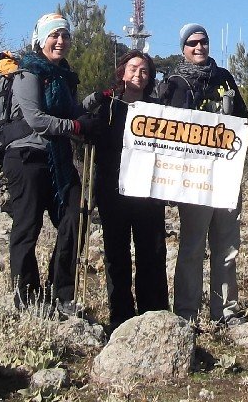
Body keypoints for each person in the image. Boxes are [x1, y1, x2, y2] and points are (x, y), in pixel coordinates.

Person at [152, 22, 248, 326]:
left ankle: (226, 312)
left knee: (227, 247)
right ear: (183, 48)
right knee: (192, 248)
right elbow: (165, 130)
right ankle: (186, 313)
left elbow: (243, 121)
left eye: (203, 42)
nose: (199, 47)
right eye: (192, 43)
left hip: (226, 177)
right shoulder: (174, 82)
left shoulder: (224, 78)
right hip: (193, 179)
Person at [5, 11, 100, 310]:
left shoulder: (63, 76)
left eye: (65, 35)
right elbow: (36, 119)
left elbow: (71, 112)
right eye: (54, 35)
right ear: (41, 39)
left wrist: (97, 99)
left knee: (77, 218)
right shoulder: (27, 72)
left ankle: (61, 292)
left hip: (57, 159)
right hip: (26, 157)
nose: (60, 41)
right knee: (27, 226)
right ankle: (26, 295)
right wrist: (75, 128)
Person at [81, 49, 170, 330]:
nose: (138, 75)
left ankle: (153, 312)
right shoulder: (108, 105)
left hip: (148, 191)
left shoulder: (158, 108)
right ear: (122, 71)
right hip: (113, 189)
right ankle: (120, 315)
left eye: (144, 71)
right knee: (116, 254)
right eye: (133, 69)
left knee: (152, 252)